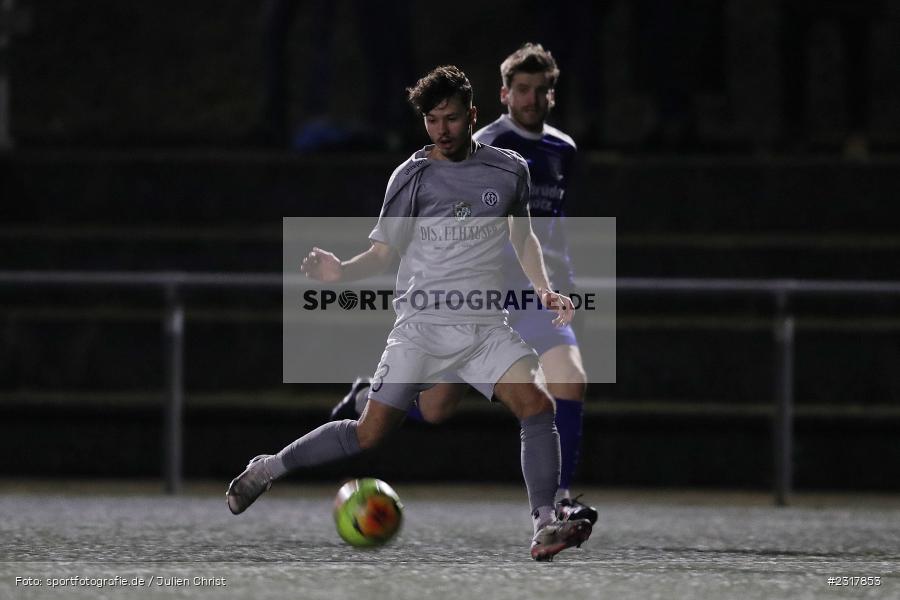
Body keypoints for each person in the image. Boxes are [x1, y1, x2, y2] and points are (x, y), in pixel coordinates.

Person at [227, 65, 592, 561]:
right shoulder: (411, 176)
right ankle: (269, 467)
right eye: (433, 120)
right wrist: (340, 272)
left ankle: (545, 523)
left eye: (453, 119)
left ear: (473, 116)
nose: (443, 130)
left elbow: (521, 236)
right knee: (370, 434)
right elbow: (383, 254)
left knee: (536, 405)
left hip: (484, 327)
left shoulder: (509, 170)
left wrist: (545, 290)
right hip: (422, 327)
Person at [331, 43, 596, 526]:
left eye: (541, 90)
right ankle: (374, 394)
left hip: (530, 295)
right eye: (521, 89)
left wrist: (553, 284)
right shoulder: (480, 145)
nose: (531, 99)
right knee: (435, 409)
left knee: (568, 380)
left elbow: (540, 228)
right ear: (502, 95)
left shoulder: (563, 149)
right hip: (479, 297)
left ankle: (557, 500)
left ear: (553, 96)